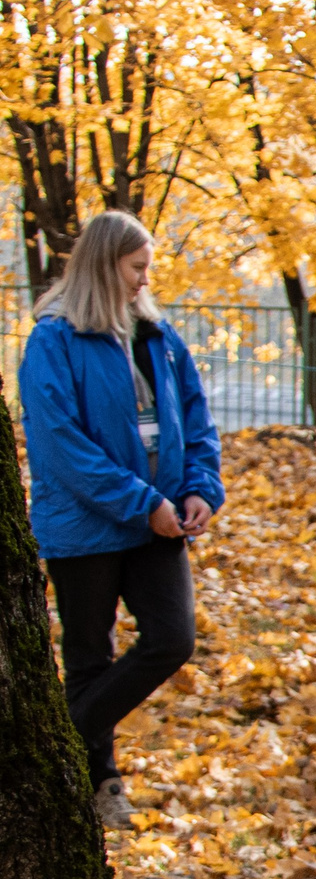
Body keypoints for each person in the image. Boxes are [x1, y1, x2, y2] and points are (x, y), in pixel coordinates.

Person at [20, 211, 222, 830]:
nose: (144, 281)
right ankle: (100, 783)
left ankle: (47, 755)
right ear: (104, 263)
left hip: (159, 522)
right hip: (85, 525)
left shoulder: (157, 335)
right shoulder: (53, 339)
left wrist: (200, 489)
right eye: (136, 268)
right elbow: (61, 443)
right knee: (88, 654)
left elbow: (195, 416)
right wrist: (143, 503)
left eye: (147, 270)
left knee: (172, 639)